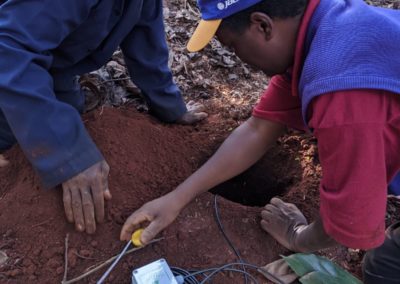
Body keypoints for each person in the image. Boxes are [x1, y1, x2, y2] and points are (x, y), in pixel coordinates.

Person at [120, 0, 400, 282]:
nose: (236, 57)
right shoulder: (322, 27)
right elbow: (257, 129)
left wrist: (297, 237)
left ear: (262, 25)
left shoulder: (342, 90)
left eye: (231, 46)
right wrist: (176, 199)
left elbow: (351, 218)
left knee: (383, 268)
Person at [0, 0, 208, 235]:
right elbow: (8, 51)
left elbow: (145, 35)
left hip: (53, 65)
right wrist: (68, 155)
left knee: (68, 111)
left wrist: (170, 106)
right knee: (13, 141)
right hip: (10, 60)